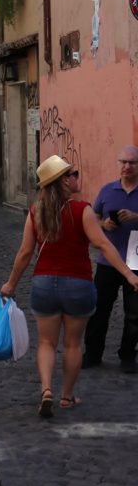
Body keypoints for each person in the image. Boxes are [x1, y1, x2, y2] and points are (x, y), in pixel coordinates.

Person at [0, 155, 138, 418]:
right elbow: (103, 245)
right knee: (73, 345)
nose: (76, 177)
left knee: (46, 343)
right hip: (78, 284)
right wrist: (129, 275)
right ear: (62, 182)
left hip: (43, 284)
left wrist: (11, 284)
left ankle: (45, 391)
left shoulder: (35, 211)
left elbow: (25, 253)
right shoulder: (82, 210)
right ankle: (66, 396)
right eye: (71, 174)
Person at [83, 145, 138, 372]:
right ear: (118, 164)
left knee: (134, 314)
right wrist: (103, 224)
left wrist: (137, 217)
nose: (127, 166)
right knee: (99, 310)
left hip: (135, 263)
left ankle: (127, 357)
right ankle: (93, 354)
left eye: (132, 163)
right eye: (123, 162)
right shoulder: (107, 191)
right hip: (107, 261)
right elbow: (93, 218)